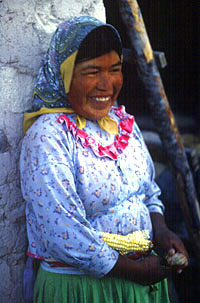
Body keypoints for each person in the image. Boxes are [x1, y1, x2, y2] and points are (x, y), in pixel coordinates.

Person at [20, 16, 188, 303]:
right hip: (84, 290)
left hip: (142, 281)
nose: (107, 84)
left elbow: (148, 191)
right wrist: (133, 271)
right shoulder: (49, 136)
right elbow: (63, 231)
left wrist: (160, 230)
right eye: (92, 71)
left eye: (115, 69)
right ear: (65, 73)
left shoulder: (123, 123)